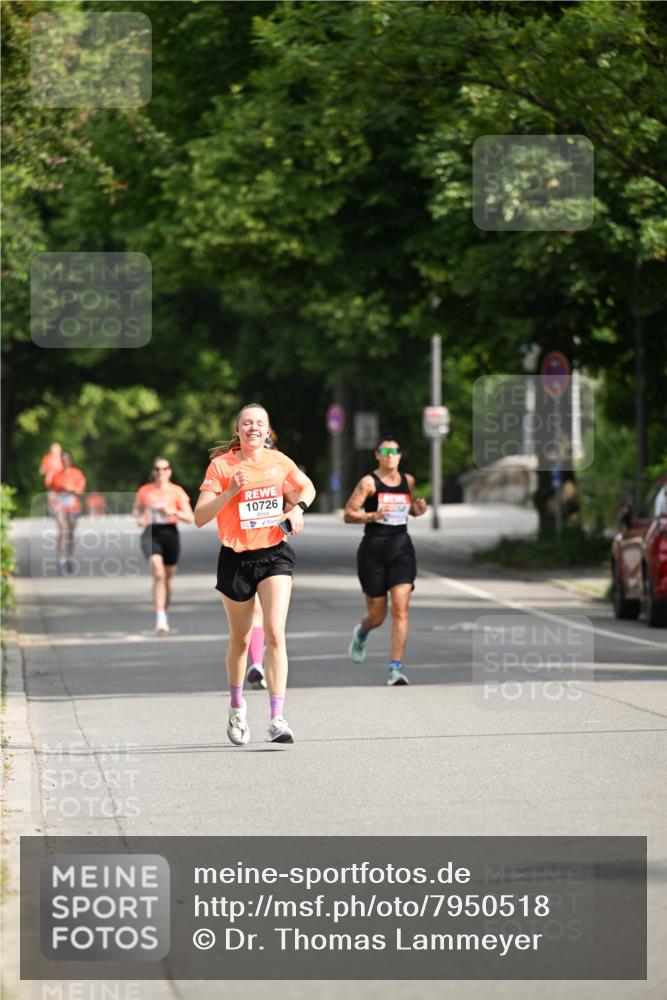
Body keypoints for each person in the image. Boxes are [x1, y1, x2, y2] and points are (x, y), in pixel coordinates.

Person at [195, 403, 316, 746]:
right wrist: (231, 490)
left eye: (259, 423)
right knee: (241, 640)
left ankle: (277, 718)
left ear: (267, 430)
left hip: (274, 553)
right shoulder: (221, 466)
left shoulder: (279, 462)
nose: (253, 428)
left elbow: (307, 487)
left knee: (276, 631)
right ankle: (236, 708)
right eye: (246, 423)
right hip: (235, 558)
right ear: (238, 430)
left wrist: (296, 510)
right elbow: (200, 516)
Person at [344, 437, 428, 685]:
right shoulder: (369, 482)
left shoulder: (407, 481)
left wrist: (417, 510)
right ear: (377, 455)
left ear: (400, 456)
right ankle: (362, 633)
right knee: (377, 616)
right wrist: (373, 515)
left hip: (402, 549)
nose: (391, 455)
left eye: (395, 451)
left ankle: (395, 668)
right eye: (386, 451)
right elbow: (349, 514)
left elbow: (407, 509)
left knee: (401, 609)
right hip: (373, 552)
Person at [133, 458, 194, 635]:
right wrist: (139, 518)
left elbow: (190, 518)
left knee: (167, 579)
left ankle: (164, 613)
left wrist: (172, 512)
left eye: (164, 469)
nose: (160, 472)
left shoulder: (177, 491)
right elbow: (137, 510)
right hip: (151, 533)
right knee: (158, 573)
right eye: (157, 469)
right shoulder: (145, 491)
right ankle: (160, 618)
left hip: (170, 534)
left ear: (169, 471)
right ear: (153, 472)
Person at [50, 452, 86, 574]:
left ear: (70, 460)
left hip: (73, 505)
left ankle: (70, 558)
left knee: (70, 533)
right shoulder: (57, 475)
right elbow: (52, 491)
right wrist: (52, 503)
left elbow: (81, 491)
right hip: (60, 505)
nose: (64, 462)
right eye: (62, 460)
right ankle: (60, 560)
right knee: (61, 531)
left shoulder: (77, 473)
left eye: (66, 459)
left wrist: (72, 490)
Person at [39, 442, 63, 515]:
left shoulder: (63, 459)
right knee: (52, 495)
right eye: (53, 450)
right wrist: (48, 471)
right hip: (51, 482)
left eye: (57, 450)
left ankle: (60, 509)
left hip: (61, 482)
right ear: (50, 450)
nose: (55, 452)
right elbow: (41, 471)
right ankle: (53, 510)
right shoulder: (47, 458)